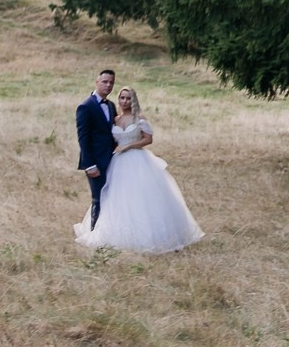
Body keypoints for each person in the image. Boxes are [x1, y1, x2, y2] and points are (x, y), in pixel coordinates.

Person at [73, 84, 204, 253]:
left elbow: (148, 139)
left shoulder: (139, 118)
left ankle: (151, 236)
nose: (125, 101)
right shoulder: (115, 118)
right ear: (118, 99)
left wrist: (129, 146)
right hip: (118, 162)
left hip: (137, 159)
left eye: (128, 98)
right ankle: (117, 233)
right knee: (117, 196)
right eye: (122, 97)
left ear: (133, 100)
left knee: (142, 196)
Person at [75, 68, 118, 229]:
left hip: (111, 160)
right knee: (98, 198)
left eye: (111, 82)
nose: (108, 85)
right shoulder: (86, 106)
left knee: (111, 197)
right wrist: (89, 164)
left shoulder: (111, 105)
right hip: (95, 162)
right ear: (97, 82)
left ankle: (109, 231)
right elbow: (83, 138)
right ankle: (94, 233)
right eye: (104, 82)